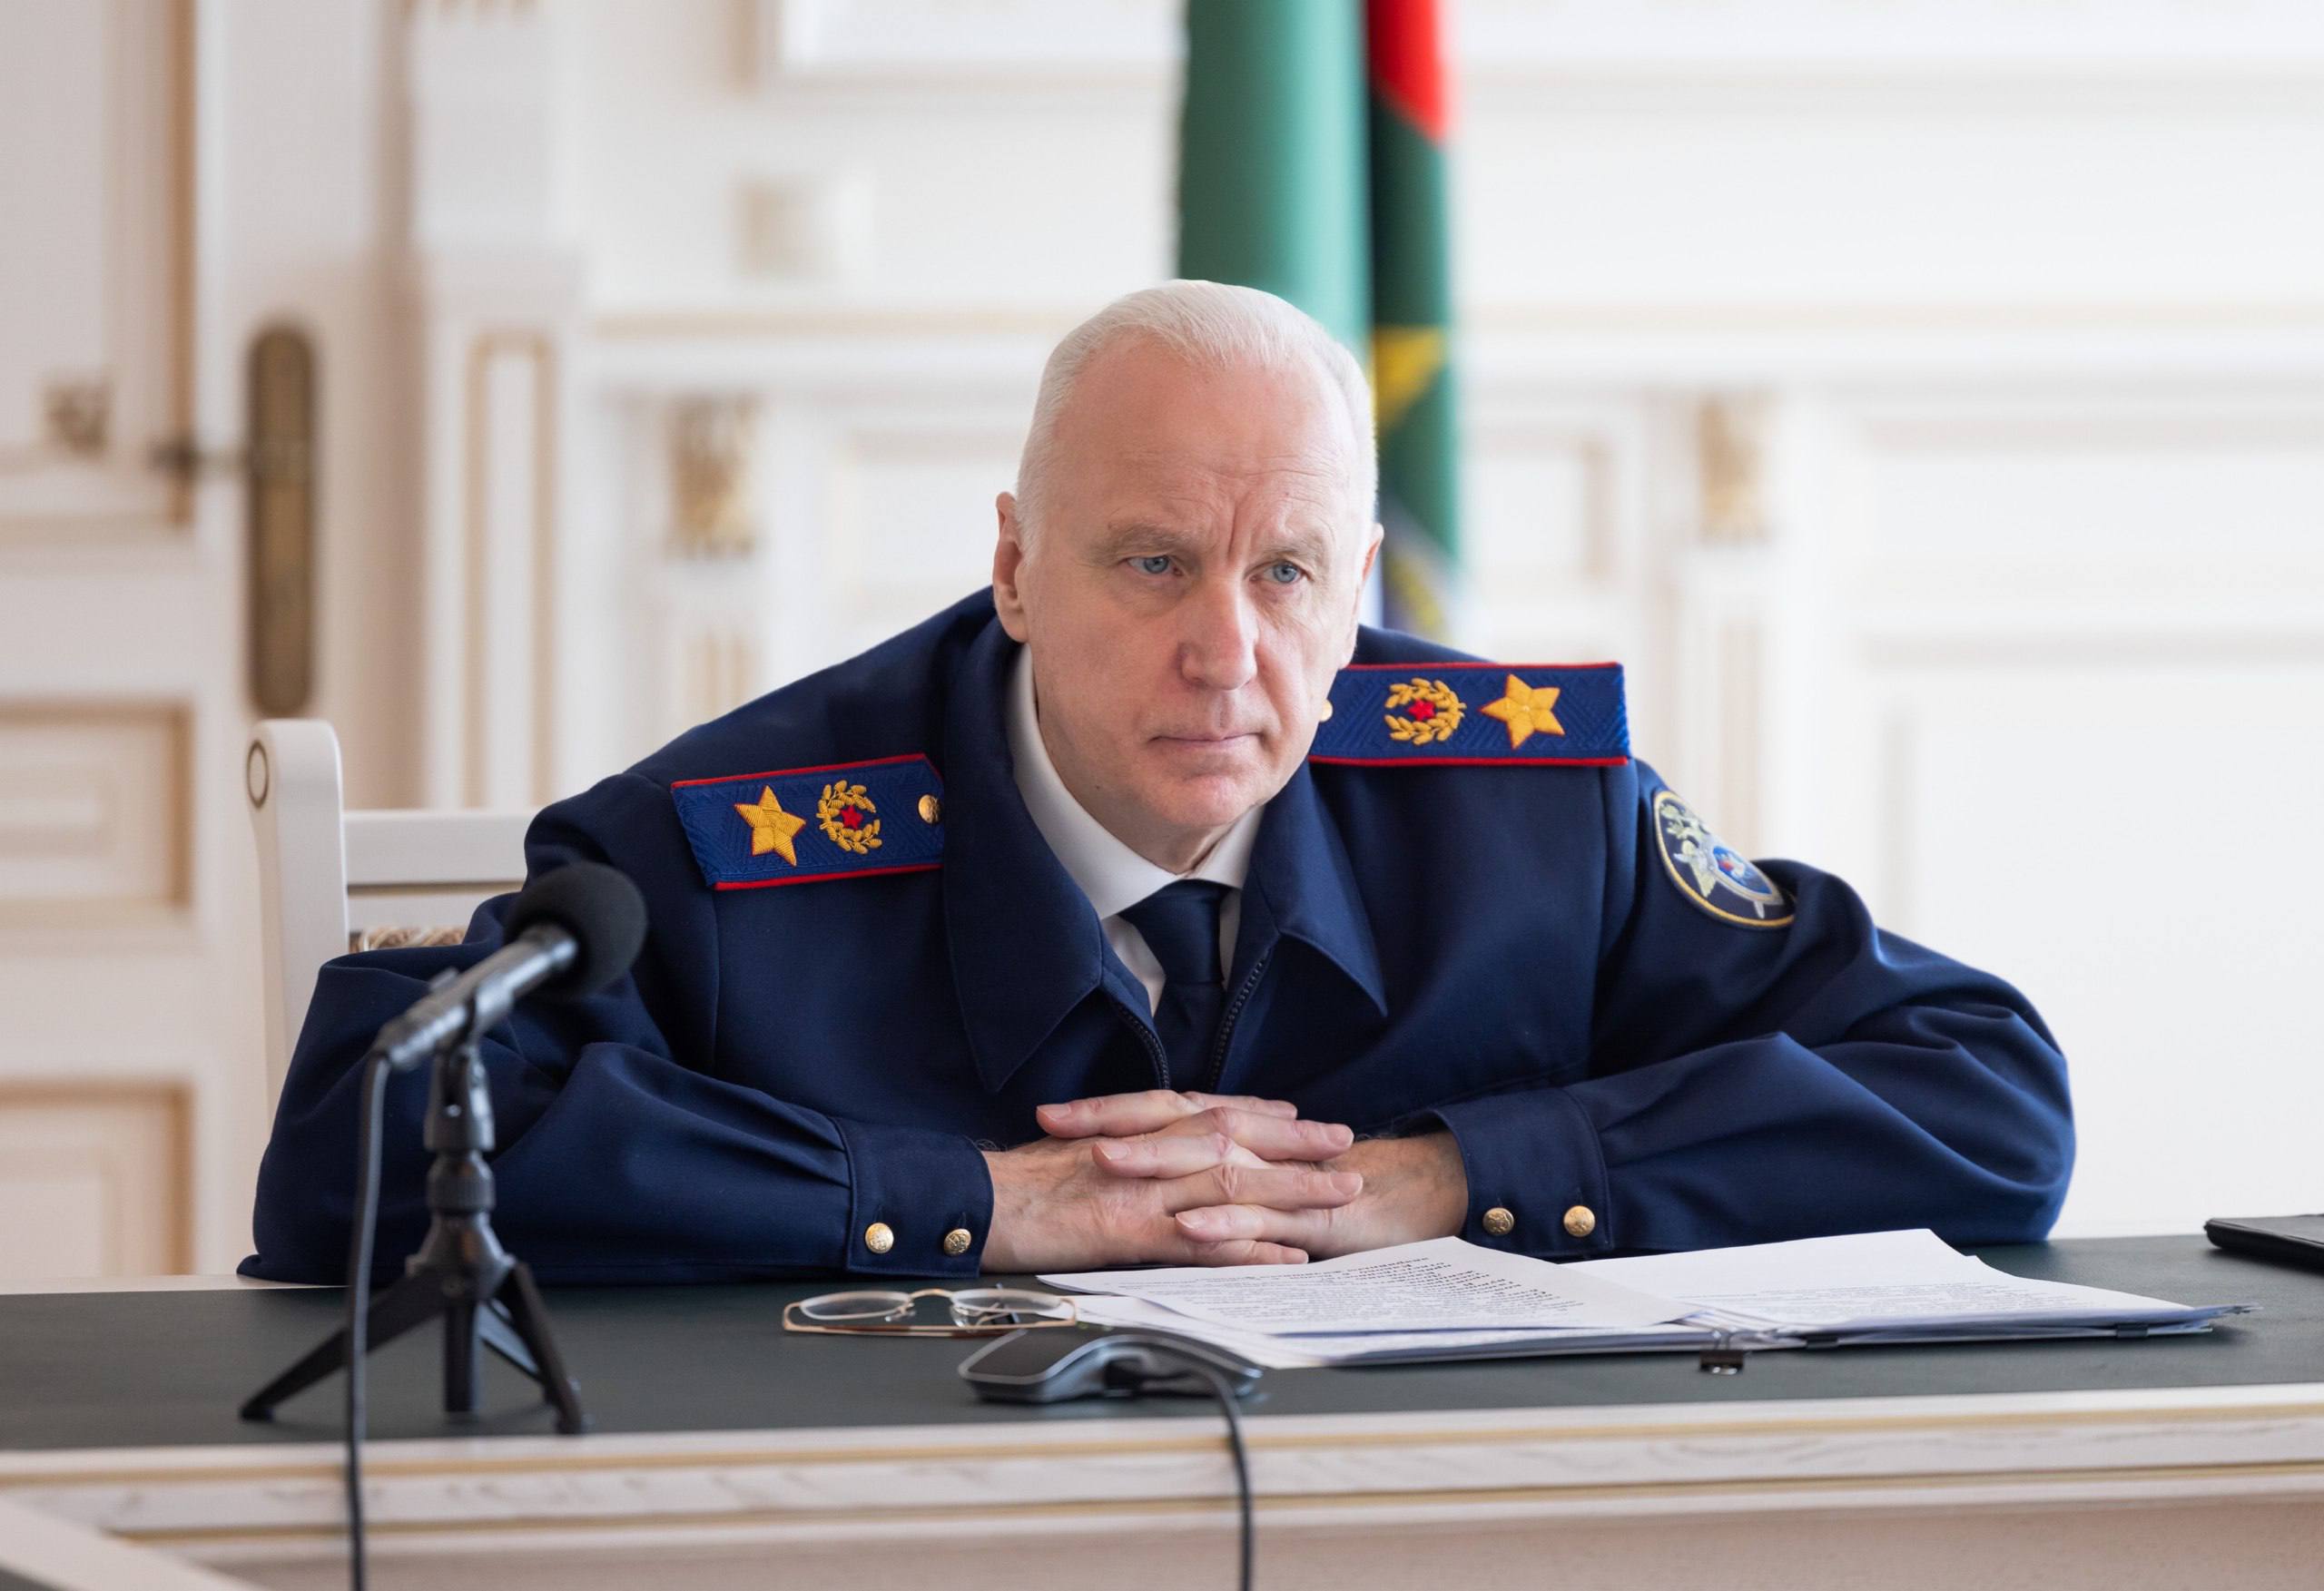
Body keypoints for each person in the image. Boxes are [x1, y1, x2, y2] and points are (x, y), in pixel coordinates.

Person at [244, 282, 2072, 1284]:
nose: (1225, 648)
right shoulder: (752, 836)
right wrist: (966, 1202)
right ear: (1014, 567)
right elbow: (349, 1139)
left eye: (1286, 573)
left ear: (1358, 593)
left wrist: (1454, 1174)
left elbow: (1988, 1097)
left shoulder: (1528, 807)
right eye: (1150, 564)